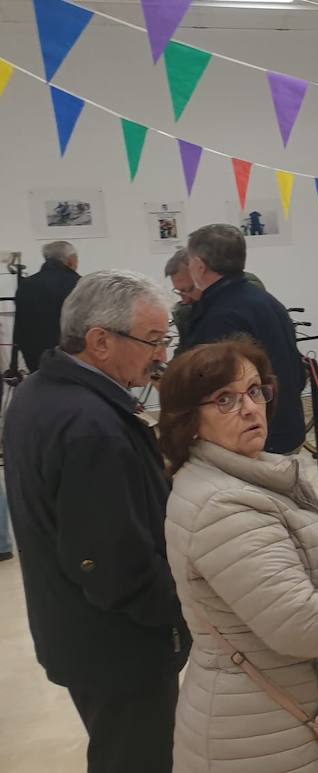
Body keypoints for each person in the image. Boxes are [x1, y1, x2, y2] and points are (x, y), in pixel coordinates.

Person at [159, 338, 318, 772]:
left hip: (273, 715)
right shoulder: (224, 505)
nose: (250, 408)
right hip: (257, 736)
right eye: (225, 400)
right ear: (190, 421)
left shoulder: (233, 478)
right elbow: (295, 620)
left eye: (255, 390)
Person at [3, 270, 188, 773]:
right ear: (100, 342)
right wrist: (177, 614)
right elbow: (112, 564)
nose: (163, 355)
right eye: (153, 340)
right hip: (119, 647)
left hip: (77, 630)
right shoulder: (92, 427)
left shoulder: (39, 391)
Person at [177, 224, 305, 453]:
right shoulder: (267, 300)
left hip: (256, 437)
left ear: (198, 265)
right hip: (286, 425)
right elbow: (296, 369)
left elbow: (214, 387)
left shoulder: (219, 314)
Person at [163, 247, 265, 341]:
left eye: (190, 289)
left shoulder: (241, 301)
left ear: (205, 273)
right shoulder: (188, 312)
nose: (185, 300)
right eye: (180, 292)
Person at [13, 240, 80, 370]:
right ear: (71, 260)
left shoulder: (26, 285)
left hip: (34, 358)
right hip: (70, 358)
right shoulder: (78, 284)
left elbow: (20, 325)